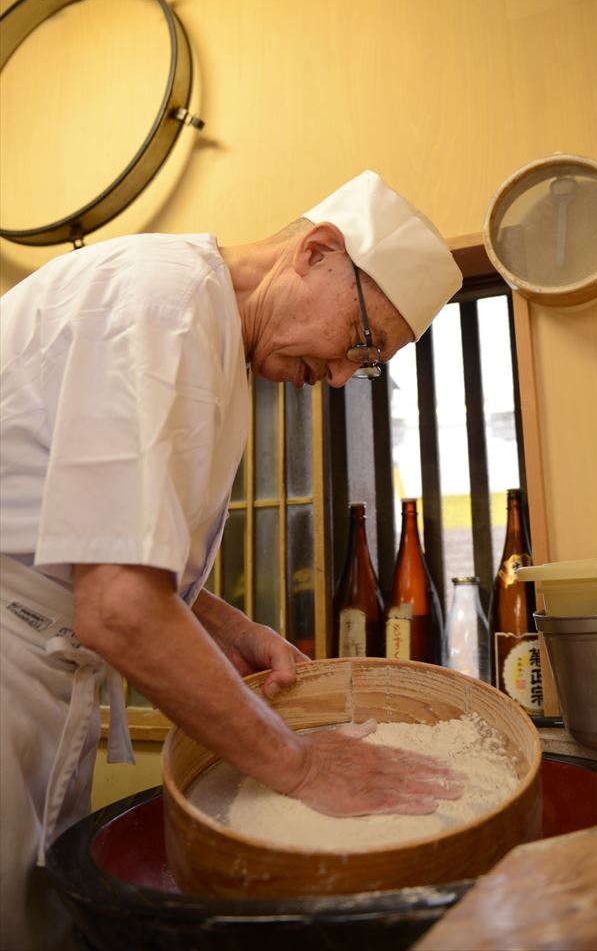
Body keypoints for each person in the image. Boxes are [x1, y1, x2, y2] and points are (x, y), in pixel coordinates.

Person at [0, 170, 463, 949]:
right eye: (359, 341)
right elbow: (117, 605)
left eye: (369, 364)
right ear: (316, 252)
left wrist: (221, 621)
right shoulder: (161, 306)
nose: (343, 377)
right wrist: (303, 768)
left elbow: (95, 542)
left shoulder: (205, 329)